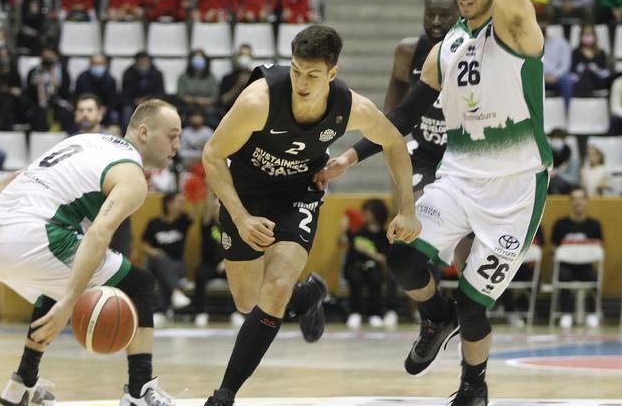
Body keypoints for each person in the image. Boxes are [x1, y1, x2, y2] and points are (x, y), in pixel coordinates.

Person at [318, 0, 551, 401]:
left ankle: (473, 385)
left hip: (515, 190)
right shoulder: (446, 48)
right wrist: (349, 158)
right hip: (459, 180)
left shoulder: (517, 28)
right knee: (400, 256)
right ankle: (434, 315)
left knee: (474, 304)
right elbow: (403, 114)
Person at [201, 24, 421, 406]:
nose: (302, 82)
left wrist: (407, 208)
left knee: (276, 285)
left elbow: (394, 142)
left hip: (299, 192)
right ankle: (307, 297)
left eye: (313, 75)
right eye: (296, 71)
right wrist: (239, 217)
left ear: (332, 73)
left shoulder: (350, 106)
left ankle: (225, 394)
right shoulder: (258, 101)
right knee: (246, 301)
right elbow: (212, 155)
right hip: (246, 195)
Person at [0, 100, 182, 406]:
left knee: (55, 285)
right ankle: (139, 390)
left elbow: (16, 176)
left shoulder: (85, 141)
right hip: (35, 238)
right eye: (172, 135)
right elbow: (99, 233)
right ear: (144, 132)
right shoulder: (131, 177)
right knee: (140, 285)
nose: (177, 145)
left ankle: (22, 385)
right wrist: (70, 301)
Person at [320, 0, 459, 195]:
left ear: (461, 15)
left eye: (445, 15)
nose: (436, 21)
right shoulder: (409, 52)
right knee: (414, 206)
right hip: (424, 153)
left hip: (463, 154)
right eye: (430, 14)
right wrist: (350, 158)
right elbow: (394, 117)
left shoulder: (471, 54)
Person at [72, 94, 135, 258]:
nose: (85, 114)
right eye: (81, 110)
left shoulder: (114, 142)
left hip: (113, 208)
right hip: (82, 212)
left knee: (119, 266)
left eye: (89, 110)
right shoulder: (69, 144)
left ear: (100, 114)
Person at [551, 187, 604, 328]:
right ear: (570, 202)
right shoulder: (560, 224)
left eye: (581, 198)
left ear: (586, 201)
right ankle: (566, 313)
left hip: (586, 266)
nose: (578, 202)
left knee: (594, 276)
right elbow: (553, 247)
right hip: (566, 265)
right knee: (563, 275)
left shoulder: (594, 225)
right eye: (574, 199)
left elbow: (599, 247)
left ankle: (592, 313)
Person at [141, 192, 193, 320]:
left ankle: (161, 311)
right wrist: (152, 251)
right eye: (179, 202)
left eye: (183, 202)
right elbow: (143, 245)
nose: (182, 205)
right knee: (159, 258)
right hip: (156, 262)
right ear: (169, 203)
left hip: (177, 265)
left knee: (161, 273)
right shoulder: (154, 223)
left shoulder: (183, 221)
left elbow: (198, 211)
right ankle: (175, 292)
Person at [341, 199, 391, 329]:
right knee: (355, 278)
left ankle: (375, 314)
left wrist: (369, 253)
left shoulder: (385, 235)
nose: (365, 214)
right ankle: (355, 313)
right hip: (354, 265)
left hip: (373, 266)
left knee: (375, 278)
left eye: (368, 212)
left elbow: (385, 260)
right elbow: (341, 243)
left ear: (377, 214)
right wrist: (343, 230)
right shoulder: (358, 229)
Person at [193, 195, 235, 328]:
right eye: (215, 208)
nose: (218, 210)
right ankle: (201, 312)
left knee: (237, 275)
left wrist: (226, 262)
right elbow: (204, 211)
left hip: (228, 264)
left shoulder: (232, 226)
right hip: (209, 265)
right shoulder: (207, 225)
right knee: (200, 274)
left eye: (220, 207)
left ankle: (235, 312)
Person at [26, 48, 73, 132]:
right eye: (45, 57)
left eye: (50, 57)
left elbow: (66, 92)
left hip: (58, 102)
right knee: (38, 116)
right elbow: (29, 91)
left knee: (65, 115)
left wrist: (56, 84)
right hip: (38, 104)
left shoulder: (63, 72)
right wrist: (37, 86)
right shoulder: (34, 72)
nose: (48, 60)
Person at [75, 54, 121, 128]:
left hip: (105, 110)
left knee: (114, 116)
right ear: (90, 65)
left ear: (105, 65)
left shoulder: (111, 80)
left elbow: (113, 99)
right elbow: (77, 97)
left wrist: (105, 109)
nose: (97, 66)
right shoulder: (82, 78)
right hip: (86, 108)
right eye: (94, 63)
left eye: (100, 63)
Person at [122, 52, 166, 120]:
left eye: (145, 62)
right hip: (133, 103)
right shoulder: (128, 74)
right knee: (127, 110)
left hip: (152, 102)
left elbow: (160, 93)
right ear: (136, 63)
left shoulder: (157, 74)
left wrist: (149, 99)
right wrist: (135, 101)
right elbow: (125, 93)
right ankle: (127, 129)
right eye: (141, 62)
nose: (143, 64)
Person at [569, 24, 611, 96]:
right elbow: (572, 72)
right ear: (581, 36)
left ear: (594, 36)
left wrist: (596, 70)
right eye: (585, 34)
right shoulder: (576, 52)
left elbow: (605, 72)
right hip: (581, 81)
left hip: (597, 80)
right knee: (586, 73)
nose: (588, 37)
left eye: (590, 34)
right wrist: (581, 70)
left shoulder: (601, 52)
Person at [540, 14, 573, 101]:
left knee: (567, 80)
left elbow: (565, 66)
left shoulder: (561, 43)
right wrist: (542, 77)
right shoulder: (529, 44)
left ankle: (566, 112)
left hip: (556, 77)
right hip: (537, 77)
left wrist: (554, 75)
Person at [177, 50, 217, 115]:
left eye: (201, 58)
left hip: (207, 109)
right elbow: (181, 95)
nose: (199, 61)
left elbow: (214, 97)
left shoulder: (211, 78)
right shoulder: (183, 77)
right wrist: (195, 100)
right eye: (196, 58)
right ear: (191, 61)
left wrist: (202, 101)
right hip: (187, 108)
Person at [218, 45, 256, 113]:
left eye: (248, 55)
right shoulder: (227, 78)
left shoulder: (258, 76)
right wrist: (238, 85)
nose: (245, 58)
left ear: (252, 57)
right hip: (231, 113)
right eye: (242, 55)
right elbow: (224, 100)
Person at [548, 128, 578, 194]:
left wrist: (557, 173)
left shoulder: (569, 152)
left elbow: (572, 177)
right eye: (554, 138)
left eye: (559, 138)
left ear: (564, 140)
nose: (557, 141)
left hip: (564, 181)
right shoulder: (546, 151)